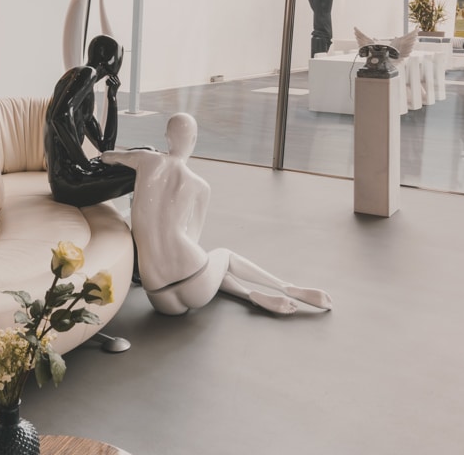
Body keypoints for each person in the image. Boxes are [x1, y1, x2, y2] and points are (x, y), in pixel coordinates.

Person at [101, 112, 332, 316]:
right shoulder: (200, 186)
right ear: (193, 140)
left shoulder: (145, 159)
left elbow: (107, 156)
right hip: (196, 286)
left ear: (166, 137)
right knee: (223, 257)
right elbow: (193, 239)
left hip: (158, 296)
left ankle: (248, 294)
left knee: (210, 268)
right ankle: (286, 287)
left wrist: (134, 158)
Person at [44, 34, 137, 207]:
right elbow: (60, 117)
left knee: (145, 153)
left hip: (70, 177)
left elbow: (106, 147)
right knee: (141, 169)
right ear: (109, 58)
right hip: (67, 182)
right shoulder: (86, 73)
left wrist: (112, 98)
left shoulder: (84, 88)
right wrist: (85, 164)